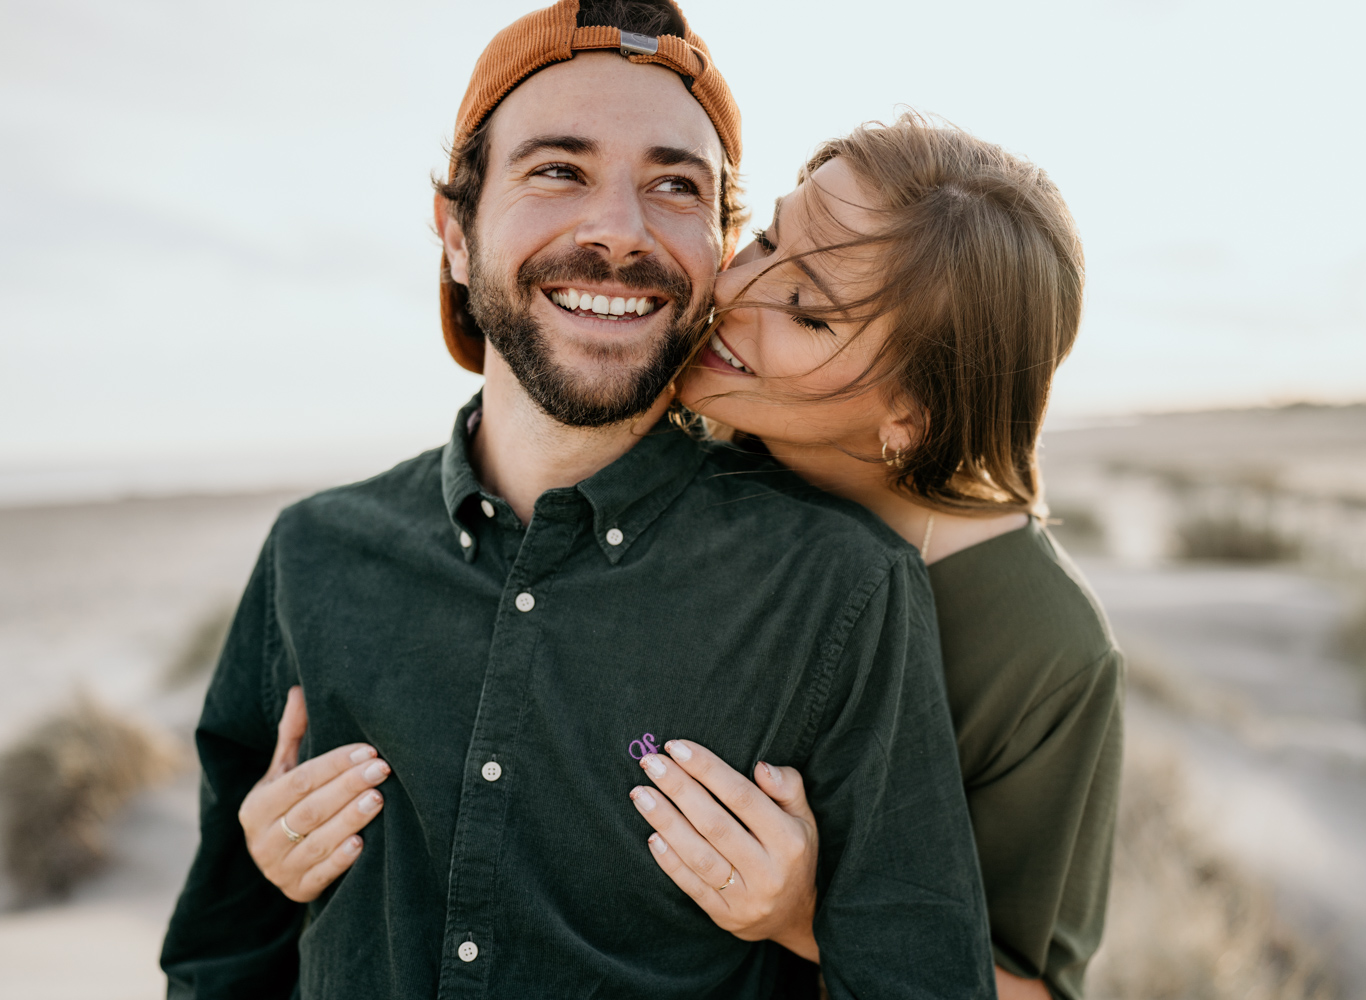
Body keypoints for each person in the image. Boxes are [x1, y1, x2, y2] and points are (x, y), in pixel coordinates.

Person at [158, 3, 997, 999]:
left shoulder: (840, 590)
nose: (618, 229)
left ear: (723, 249)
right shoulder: (314, 558)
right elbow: (221, 960)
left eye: (675, 185)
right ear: (455, 234)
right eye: (557, 169)